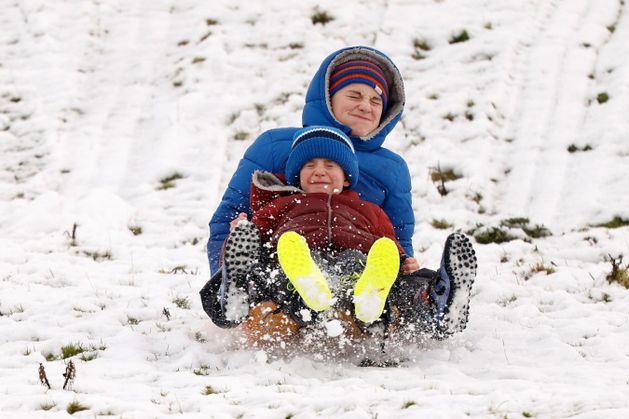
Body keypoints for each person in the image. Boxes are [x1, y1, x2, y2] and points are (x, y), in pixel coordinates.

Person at [200, 127, 477, 347]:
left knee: (398, 272)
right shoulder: (281, 205)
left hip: (356, 269)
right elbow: (255, 240)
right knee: (269, 267)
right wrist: (241, 235)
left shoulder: (368, 209)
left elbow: (389, 240)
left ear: (346, 177)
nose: (319, 170)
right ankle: (234, 296)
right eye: (310, 165)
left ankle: (436, 304)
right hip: (292, 268)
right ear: (298, 176)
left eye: (330, 164)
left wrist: (403, 262)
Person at [207, 46, 417, 278]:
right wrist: (225, 286)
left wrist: (404, 274)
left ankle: (443, 298)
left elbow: (397, 239)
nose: (366, 106)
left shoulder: (392, 169)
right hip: (284, 269)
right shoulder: (275, 146)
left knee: (416, 278)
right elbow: (228, 219)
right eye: (354, 95)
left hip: (357, 276)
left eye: (376, 101)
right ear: (328, 96)